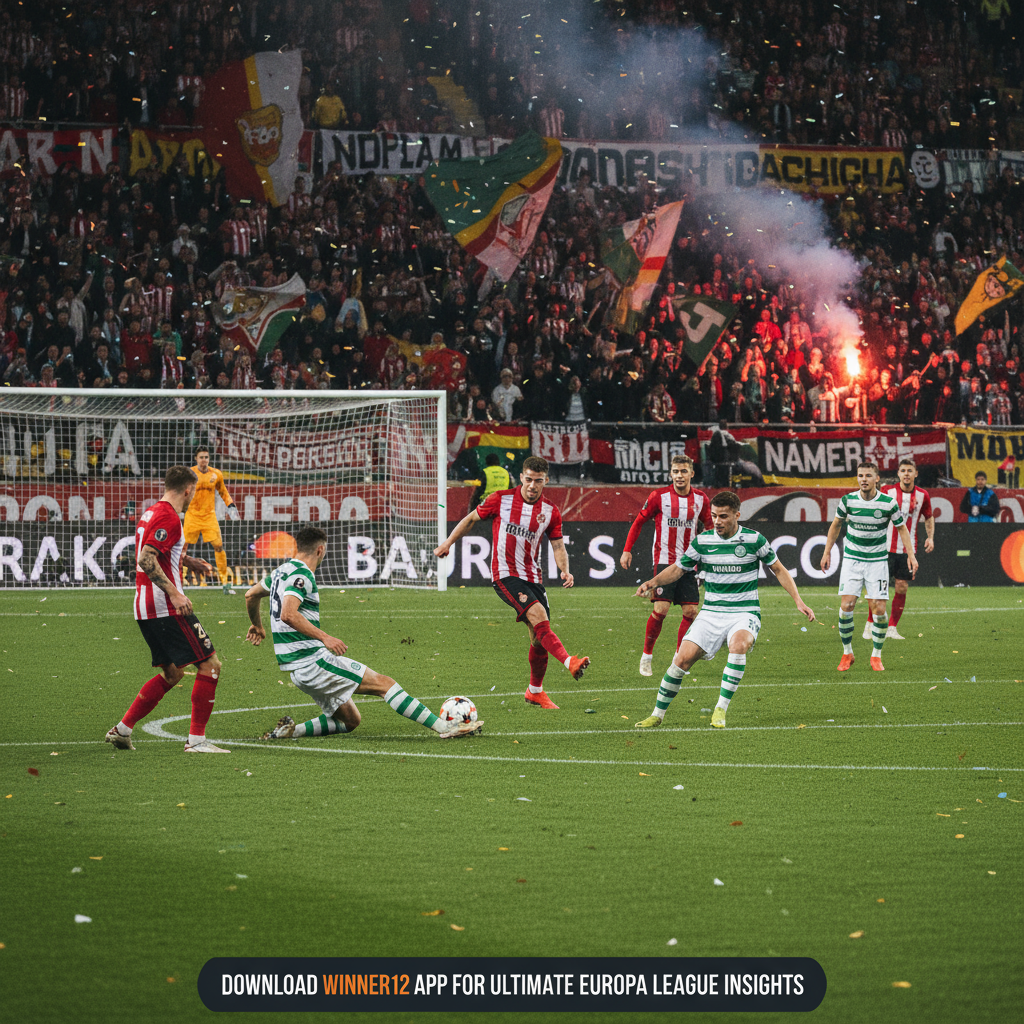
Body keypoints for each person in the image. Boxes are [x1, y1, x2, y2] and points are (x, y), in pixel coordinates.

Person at [246, 526, 482, 740]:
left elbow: (251, 595)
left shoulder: (279, 572)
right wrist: (325, 637)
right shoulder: (302, 574)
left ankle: (290, 731)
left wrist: (257, 625)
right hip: (312, 662)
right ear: (320, 550)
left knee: (350, 721)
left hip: (297, 669)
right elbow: (288, 614)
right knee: (385, 684)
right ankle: (446, 727)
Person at [634, 490, 814, 729]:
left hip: (744, 612)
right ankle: (657, 715)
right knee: (682, 659)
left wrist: (798, 601)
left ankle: (720, 709)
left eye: (724, 516)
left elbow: (778, 569)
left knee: (738, 645)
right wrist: (652, 582)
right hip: (711, 613)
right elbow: (678, 569)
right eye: (714, 516)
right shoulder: (702, 542)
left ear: (737, 515)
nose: (717, 521)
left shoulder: (754, 540)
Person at [434, 455, 590, 710]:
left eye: (538, 481)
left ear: (546, 481)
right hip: (505, 574)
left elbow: (558, 545)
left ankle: (535, 692)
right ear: (521, 477)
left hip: (533, 577)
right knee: (538, 616)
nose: (532, 485)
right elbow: (471, 519)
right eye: (528, 479)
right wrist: (448, 543)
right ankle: (569, 661)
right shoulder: (500, 499)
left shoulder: (550, 511)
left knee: (539, 637)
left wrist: (565, 570)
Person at [104, 466, 229, 753]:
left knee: (173, 674)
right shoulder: (169, 517)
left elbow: (157, 552)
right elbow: (147, 559)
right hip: (165, 607)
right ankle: (196, 741)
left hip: (144, 606)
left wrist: (189, 561)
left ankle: (122, 730)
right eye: (193, 492)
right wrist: (174, 594)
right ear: (188, 490)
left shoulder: (151, 512)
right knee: (210, 665)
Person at [619, 454, 712, 677]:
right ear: (670, 473)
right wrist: (627, 549)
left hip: (689, 562)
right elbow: (638, 522)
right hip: (664, 560)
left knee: (691, 611)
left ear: (691, 474)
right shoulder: (659, 497)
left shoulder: (701, 499)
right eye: (675, 471)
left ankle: (678, 658)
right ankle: (646, 656)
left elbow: (709, 525)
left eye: (683, 471)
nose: (679, 475)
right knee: (661, 609)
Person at [821, 463, 918, 673]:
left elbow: (902, 528)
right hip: (852, 560)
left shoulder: (888, 503)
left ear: (877, 479)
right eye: (860, 475)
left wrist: (911, 555)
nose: (863, 479)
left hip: (877, 562)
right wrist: (827, 551)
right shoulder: (848, 500)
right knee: (847, 606)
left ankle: (876, 655)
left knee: (879, 609)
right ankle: (847, 652)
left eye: (868, 475)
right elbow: (836, 525)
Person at [861, 459, 934, 641]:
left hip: (907, 550)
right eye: (903, 470)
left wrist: (930, 537)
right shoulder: (887, 491)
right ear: (898, 474)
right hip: (884, 548)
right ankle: (870, 623)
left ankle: (892, 627)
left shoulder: (923, 495)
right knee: (879, 587)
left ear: (916, 473)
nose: (906, 474)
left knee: (902, 587)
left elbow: (928, 516)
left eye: (910, 470)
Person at [183, 447, 239, 593]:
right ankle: (179, 580)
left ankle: (225, 583)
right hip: (192, 515)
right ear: (196, 459)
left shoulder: (216, 474)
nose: (204, 460)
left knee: (219, 546)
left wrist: (231, 506)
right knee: (182, 548)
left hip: (209, 516)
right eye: (201, 457)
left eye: (206, 457)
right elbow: (181, 492)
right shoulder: (189, 474)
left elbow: (223, 492)